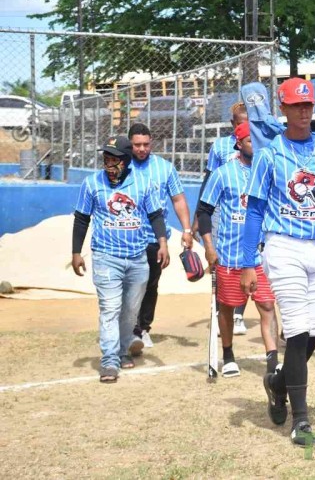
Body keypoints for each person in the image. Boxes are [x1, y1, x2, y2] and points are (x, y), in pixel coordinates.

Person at [240, 77, 315, 446]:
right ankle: (300, 419)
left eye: (308, 105)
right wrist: (247, 262)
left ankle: (277, 383)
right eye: (296, 106)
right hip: (282, 246)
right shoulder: (270, 154)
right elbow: (255, 210)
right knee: (297, 330)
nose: (304, 112)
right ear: (284, 109)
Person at [71, 136, 169, 383]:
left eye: (114, 159)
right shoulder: (92, 183)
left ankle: (124, 349)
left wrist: (163, 243)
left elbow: (155, 215)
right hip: (106, 257)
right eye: (106, 158)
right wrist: (76, 252)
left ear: (126, 161)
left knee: (130, 311)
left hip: (137, 258)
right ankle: (109, 360)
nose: (109, 163)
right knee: (110, 308)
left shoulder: (144, 183)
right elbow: (82, 218)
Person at [196, 122, 278, 377]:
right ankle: (229, 356)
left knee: (267, 306)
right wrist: (209, 247)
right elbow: (204, 210)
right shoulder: (223, 174)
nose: (257, 145)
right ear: (239, 144)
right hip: (230, 255)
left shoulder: (270, 172)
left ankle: (273, 360)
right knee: (227, 307)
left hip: (261, 255)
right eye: (251, 141)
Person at [128, 123, 193, 349]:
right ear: (130, 144)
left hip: (155, 239)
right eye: (137, 145)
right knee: (130, 284)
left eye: (146, 144)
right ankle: (127, 328)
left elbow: (178, 199)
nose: (142, 149)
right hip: (127, 238)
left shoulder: (164, 168)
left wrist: (186, 230)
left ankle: (142, 329)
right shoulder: (122, 166)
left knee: (150, 284)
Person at [196, 102, 251, 335]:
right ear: (232, 123)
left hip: (248, 208)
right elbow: (208, 180)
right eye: (240, 123)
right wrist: (198, 217)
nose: (245, 126)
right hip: (221, 208)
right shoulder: (220, 146)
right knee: (221, 259)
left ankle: (238, 314)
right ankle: (221, 308)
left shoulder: (258, 143)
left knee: (247, 258)